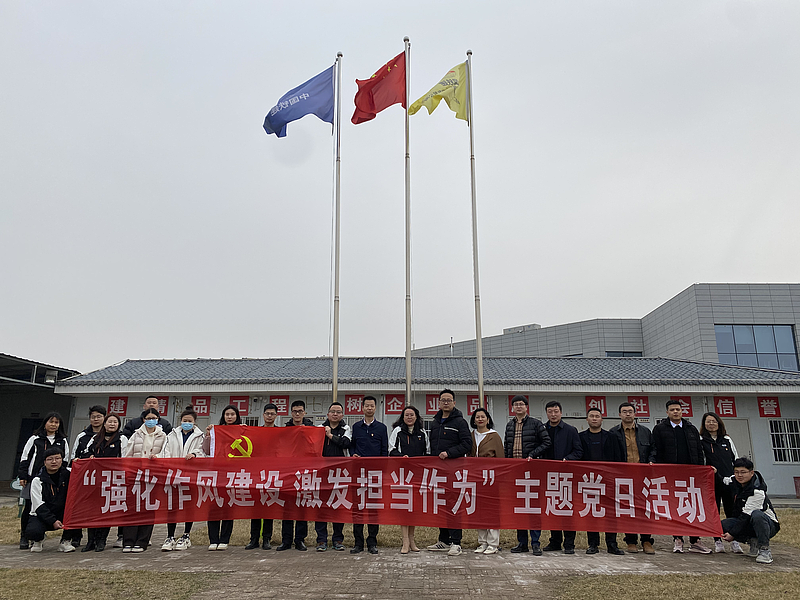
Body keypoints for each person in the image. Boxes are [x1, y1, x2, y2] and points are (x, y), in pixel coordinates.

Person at [652, 399, 711, 554]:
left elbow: (698, 451)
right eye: (672, 410)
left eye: (678, 409)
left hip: (691, 475)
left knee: (692, 506)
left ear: (682, 411)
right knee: (675, 506)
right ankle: (677, 539)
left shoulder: (691, 428)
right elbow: (656, 450)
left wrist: (700, 470)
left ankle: (695, 540)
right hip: (671, 475)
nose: (675, 412)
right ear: (667, 412)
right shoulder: (659, 429)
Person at [504, 395, 551, 556]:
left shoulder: (536, 424)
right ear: (512, 408)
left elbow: (546, 442)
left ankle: (536, 543)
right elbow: (507, 446)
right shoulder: (510, 425)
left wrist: (533, 454)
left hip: (532, 472)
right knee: (520, 508)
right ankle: (522, 542)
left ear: (526, 407)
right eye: (515, 404)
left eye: (521, 404)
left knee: (533, 508)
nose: (518, 407)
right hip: (516, 472)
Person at [426, 389, 472, 556]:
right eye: (443, 400)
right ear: (438, 403)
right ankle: (444, 540)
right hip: (438, 471)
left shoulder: (460, 422)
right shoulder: (435, 422)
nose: (446, 402)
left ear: (454, 403)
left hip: (454, 471)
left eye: (449, 400)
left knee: (454, 504)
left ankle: (456, 542)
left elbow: (467, 444)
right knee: (441, 505)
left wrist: (449, 453)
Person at [608, 401, 657, 554]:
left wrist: (651, 461)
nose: (628, 414)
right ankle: (631, 540)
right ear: (619, 415)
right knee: (627, 509)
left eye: (630, 411)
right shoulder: (613, 433)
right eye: (624, 411)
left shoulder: (645, 431)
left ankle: (646, 540)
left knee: (645, 509)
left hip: (643, 476)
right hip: (623, 477)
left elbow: (653, 449)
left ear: (635, 414)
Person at [17, 412, 70, 550]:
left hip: (55, 480)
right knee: (30, 507)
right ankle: (25, 536)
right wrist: (23, 475)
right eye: (51, 421)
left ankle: (65, 538)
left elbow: (65, 460)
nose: (53, 425)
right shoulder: (35, 439)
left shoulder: (62, 441)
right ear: (45, 423)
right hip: (34, 478)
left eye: (56, 422)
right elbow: (25, 457)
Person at [579, 408, 624, 555]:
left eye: (597, 416)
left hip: (608, 480)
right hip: (589, 481)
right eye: (591, 416)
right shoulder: (581, 437)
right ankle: (593, 544)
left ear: (601, 419)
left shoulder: (611, 437)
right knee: (591, 513)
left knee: (610, 513)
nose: (594, 418)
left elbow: (618, 458)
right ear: (587, 419)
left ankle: (612, 544)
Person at [159, 406, 205, 551]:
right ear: (180, 421)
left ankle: (186, 535)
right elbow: (165, 451)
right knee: (172, 506)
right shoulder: (172, 435)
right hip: (174, 474)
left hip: (191, 475)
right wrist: (169, 463)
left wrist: (194, 454)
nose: (187, 423)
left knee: (188, 506)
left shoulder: (200, 436)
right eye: (185, 420)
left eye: (190, 421)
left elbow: (203, 451)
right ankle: (170, 536)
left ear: (194, 422)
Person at [121, 407, 167, 552]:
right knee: (132, 507)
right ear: (143, 420)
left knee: (148, 507)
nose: (151, 421)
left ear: (158, 420)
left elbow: (166, 453)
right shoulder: (136, 434)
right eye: (148, 418)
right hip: (135, 474)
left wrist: (157, 458)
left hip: (152, 476)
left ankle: (142, 541)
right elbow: (128, 453)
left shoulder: (163, 436)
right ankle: (128, 541)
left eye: (153, 418)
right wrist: (127, 470)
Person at [720, 457, 780, 564]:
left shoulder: (757, 491)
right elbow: (723, 481)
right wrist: (714, 472)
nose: (739, 475)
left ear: (751, 473)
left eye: (743, 472)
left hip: (769, 525)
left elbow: (746, 516)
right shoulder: (734, 480)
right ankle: (753, 541)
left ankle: (764, 550)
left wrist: (732, 534)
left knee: (757, 515)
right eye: (736, 472)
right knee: (723, 525)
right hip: (748, 521)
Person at [541, 400, 582, 554]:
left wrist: (567, 459)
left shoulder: (570, 430)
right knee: (553, 509)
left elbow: (578, 451)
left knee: (567, 509)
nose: (553, 414)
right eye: (550, 412)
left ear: (561, 412)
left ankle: (569, 543)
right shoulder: (542, 429)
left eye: (556, 411)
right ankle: (555, 541)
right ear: (546, 413)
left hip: (566, 477)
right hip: (548, 477)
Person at [82, 414, 126, 552]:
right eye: (109, 422)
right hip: (95, 479)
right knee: (93, 510)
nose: (112, 424)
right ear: (104, 424)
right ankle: (90, 541)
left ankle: (102, 540)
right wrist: (89, 456)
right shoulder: (95, 438)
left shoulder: (122, 439)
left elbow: (125, 458)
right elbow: (85, 452)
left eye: (115, 422)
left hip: (112, 479)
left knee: (106, 510)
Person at [350, 395, 388, 554]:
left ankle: (372, 542)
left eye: (372, 406)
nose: (369, 408)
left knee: (373, 508)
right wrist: (353, 454)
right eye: (367, 406)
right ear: (362, 408)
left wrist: (383, 471)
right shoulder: (356, 427)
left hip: (375, 474)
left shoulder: (381, 428)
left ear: (375, 408)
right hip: (358, 473)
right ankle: (358, 543)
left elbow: (384, 450)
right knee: (358, 507)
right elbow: (352, 446)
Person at [700, 411, 742, 554]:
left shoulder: (727, 439)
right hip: (712, 481)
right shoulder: (701, 441)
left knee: (732, 511)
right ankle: (717, 540)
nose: (711, 424)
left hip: (729, 481)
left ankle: (734, 540)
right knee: (714, 511)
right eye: (708, 421)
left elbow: (735, 459)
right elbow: (701, 460)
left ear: (719, 423)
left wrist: (735, 476)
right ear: (704, 424)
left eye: (714, 421)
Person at [389, 405, 429, 554]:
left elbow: (427, 452)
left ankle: (412, 540)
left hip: (417, 475)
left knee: (414, 508)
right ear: (403, 417)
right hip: (402, 474)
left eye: (412, 415)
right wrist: (402, 457)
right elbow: (391, 450)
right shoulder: (397, 431)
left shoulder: (422, 433)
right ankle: (405, 541)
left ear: (416, 417)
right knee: (404, 508)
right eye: (407, 415)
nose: (409, 417)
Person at [26, 447, 81, 552]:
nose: (54, 462)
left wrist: (81, 462)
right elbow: (38, 505)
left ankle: (65, 541)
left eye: (57, 458)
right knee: (33, 531)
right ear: (44, 462)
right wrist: (53, 521)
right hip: (42, 514)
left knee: (77, 514)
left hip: (63, 512)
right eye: (50, 459)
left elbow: (84, 470)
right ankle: (38, 540)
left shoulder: (70, 473)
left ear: (62, 460)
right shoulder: (37, 480)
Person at [277, 400, 314, 552]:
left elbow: (314, 446)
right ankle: (286, 540)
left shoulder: (312, 429)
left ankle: (300, 540)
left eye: (300, 411)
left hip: (304, 472)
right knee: (287, 507)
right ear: (291, 413)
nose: (297, 414)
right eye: (295, 411)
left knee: (301, 507)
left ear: (304, 412)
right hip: (288, 472)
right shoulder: (286, 429)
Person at [315, 401, 352, 552]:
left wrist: (330, 435)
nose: (335, 414)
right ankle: (321, 540)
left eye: (338, 412)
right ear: (328, 414)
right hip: (322, 472)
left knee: (338, 505)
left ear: (342, 415)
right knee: (321, 506)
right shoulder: (319, 428)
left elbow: (345, 443)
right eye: (332, 411)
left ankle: (337, 539)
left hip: (339, 473)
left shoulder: (346, 428)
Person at [203, 404, 241, 550]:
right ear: (223, 416)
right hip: (216, 473)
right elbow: (207, 451)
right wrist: (208, 435)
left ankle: (224, 539)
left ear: (237, 416)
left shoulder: (241, 431)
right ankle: (213, 539)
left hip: (233, 474)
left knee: (228, 506)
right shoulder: (215, 431)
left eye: (232, 414)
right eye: (227, 414)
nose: (230, 417)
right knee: (213, 506)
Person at [469, 407, 503, 555]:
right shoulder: (471, 435)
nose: (480, 419)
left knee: (491, 510)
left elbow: (501, 458)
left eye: (483, 417)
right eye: (477, 417)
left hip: (491, 478)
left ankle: (493, 543)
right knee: (479, 511)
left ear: (488, 419)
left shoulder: (494, 436)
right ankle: (482, 542)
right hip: (475, 478)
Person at [246, 403, 278, 550]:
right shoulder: (256, 432)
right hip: (257, 473)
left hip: (273, 473)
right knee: (256, 507)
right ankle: (254, 539)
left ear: (276, 416)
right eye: (267, 414)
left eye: (272, 414)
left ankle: (266, 538)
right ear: (263, 415)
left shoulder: (280, 432)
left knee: (268, 506)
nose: (269, 416)